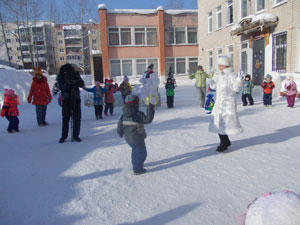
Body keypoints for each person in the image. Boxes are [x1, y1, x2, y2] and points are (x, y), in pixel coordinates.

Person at [209, 56, 243, 152]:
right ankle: (225, 141)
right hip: (219, 102)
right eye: (219, 65)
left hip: (228, 103)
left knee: (225, 122)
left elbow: (236, 89)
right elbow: (213, 86)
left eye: (221, 65)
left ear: (226, 65)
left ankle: (224, 143)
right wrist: (212, 81)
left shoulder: (232, 75)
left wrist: (239, 82)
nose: (219, 67)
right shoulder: (219, 75)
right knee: (218, 121)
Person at [117, 94, 155, 175]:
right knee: (142, 154)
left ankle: (135, 163)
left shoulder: (123, 114)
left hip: (128, 139)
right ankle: (137, 169)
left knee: (135, 150)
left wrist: (120, 132)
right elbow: (148, 120)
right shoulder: (138, 114)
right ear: (136, 104)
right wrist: (150, 108)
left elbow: (119, 124)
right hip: (137, 138)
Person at [56, 64, 84, 143]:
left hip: (76, 98)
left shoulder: (75, 74)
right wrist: (68, 83)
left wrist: (77, 81)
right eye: (66, 72)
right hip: (66, 100)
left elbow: (82, 84)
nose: (67, 73)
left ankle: (76, 135)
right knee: (65, 118)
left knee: (77, 118)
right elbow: (62, 88)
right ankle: (64, 136)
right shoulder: (61, 77)